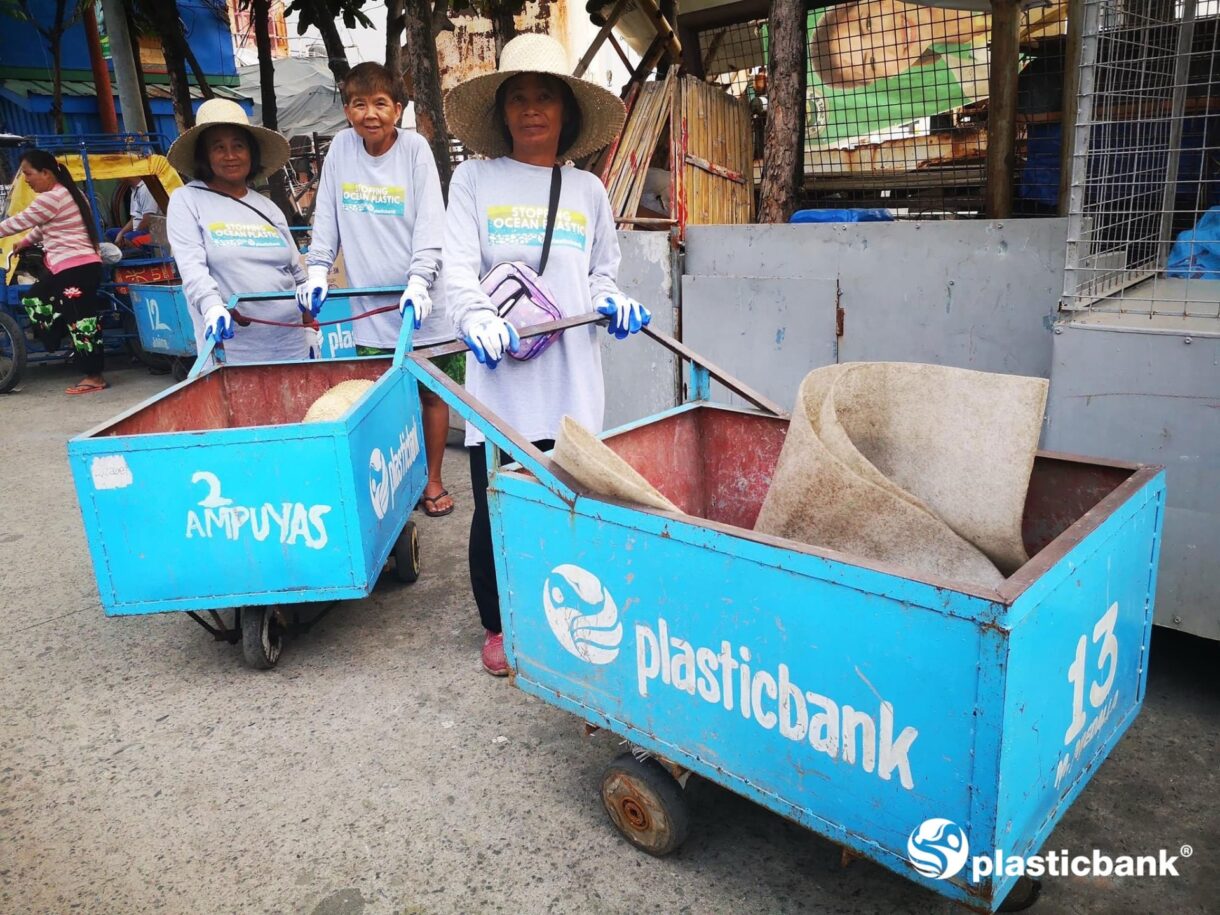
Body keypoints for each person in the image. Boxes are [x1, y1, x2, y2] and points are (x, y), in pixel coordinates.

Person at [442, 33, 648, 676]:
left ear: (567, 112)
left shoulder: (588, 191)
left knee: (571, 504)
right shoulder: (473, 179)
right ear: (503, 112)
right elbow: (456, 269)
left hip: (572, 383)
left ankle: (571, 615)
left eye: (546, 97)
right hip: (499, 382)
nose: (533, 109)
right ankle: (500, 624)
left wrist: (613, 300)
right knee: (495, 505)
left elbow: (600, 271)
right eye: (520, 98)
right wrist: (475, 314)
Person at [298, 62, 456, 518]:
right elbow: (326, 217)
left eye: (381, 104)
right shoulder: (341, 152)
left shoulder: (415, 150)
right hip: (369, 306)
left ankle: (432, 480)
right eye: (359, 104)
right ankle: (392, 483)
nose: (370, 113)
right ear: (347, 109)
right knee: (377, 398)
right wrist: (316, 270)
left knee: (430, 394)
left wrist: (420, 279)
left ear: (398, 109)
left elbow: (431, 220)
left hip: (420, 300)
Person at [165, 98, 308, 363]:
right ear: (204, 156)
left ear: (251, 153)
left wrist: (310, 316)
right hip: (232, 347)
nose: (230, 155)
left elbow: (296, 269)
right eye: (218, 147)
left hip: (290, 340)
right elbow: (192, 268)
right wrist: (212, 307)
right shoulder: (187, 200)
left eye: (238, 146)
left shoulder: (267, 207)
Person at [0, 149, 108, 394]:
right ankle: (59, 336)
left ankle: (94, 376)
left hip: (75, 268)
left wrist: (15, 234)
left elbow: (20, 220)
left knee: (83, 322)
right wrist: (24, 243)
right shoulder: (71, 194)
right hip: (77, 268)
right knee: (36, 300)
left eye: (28, 174)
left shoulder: (51, 198)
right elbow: (43, 226)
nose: (26, 180)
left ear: (46, 173)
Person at [810, 0, 984, 90]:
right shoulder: (974, 72)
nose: (891, 39)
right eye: (872, 61)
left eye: (869, 24)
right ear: (888, 75)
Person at [112, 177, 162, 248]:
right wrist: (121, 233)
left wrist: (134, 233)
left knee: (126, 239)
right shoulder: (134, 190)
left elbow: (148, 219)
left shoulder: (146, 189)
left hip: (148, 230)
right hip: (137, 229)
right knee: (110, 233)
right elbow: (133, 219)